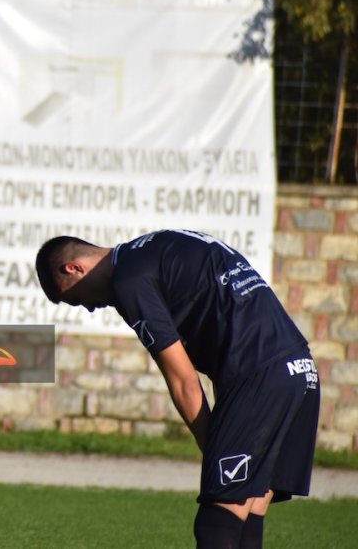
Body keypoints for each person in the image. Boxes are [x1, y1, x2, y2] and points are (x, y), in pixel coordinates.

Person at [35, 229, 319, 549]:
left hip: (258, 378)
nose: (87, 307)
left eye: (74, 298)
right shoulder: (162, 243)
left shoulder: (127, 280)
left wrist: (215, 453)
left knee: (218, 522)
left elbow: (184, 382)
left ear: (73, 268)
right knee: (248, 509)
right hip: (300, 370)